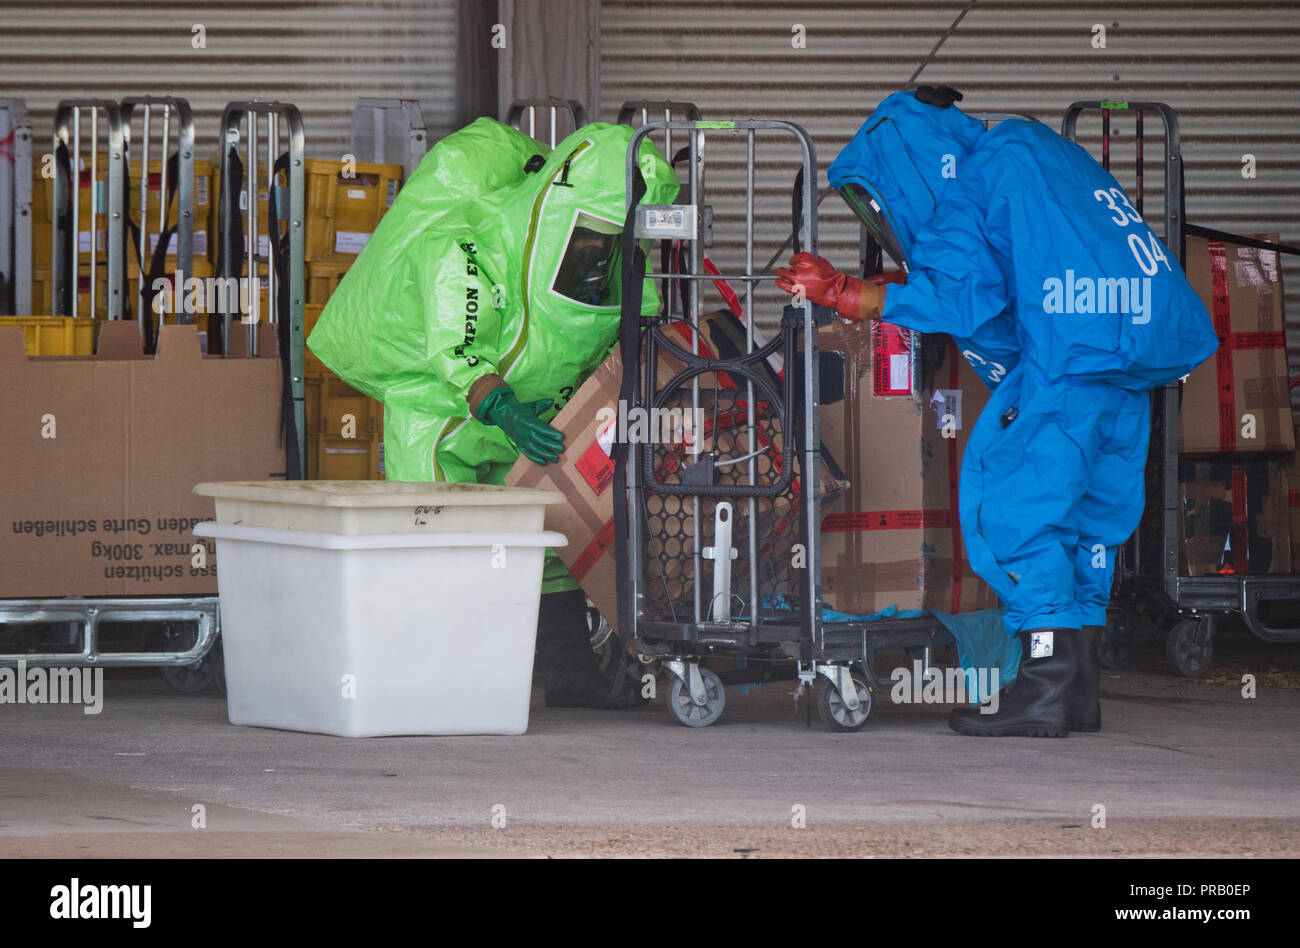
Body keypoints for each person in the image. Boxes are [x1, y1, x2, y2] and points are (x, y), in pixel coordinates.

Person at [776, 87, 1217, 737]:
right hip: (1122, 370)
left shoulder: (976, 179)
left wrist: (842, 291)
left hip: (1066, 373)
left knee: (1019, 515)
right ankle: (1078, 691)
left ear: (909, 166)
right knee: (1090, 527)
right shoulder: (1043, 153)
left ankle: (1042, 688)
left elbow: (958, 295)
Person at [308, 118, 679, 709]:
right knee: (435, 539)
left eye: (615, 240)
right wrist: (500, 406)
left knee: (547, 544)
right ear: (557, 213)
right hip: (440, 415)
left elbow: (637, 326)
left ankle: (569, 675)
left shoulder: (614, 268)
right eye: (593, 236)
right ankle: (431, 681)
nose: (599, 253)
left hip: (531, 421)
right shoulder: (464, 247)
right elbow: (456, 345)